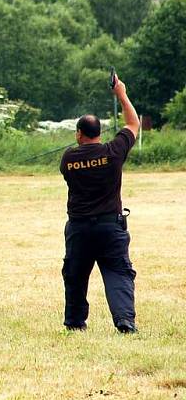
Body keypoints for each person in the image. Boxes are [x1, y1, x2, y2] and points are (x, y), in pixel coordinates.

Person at [60, 72, 140, 334]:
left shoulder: (68, 159)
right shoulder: (113, 152)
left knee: (75, 275)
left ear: (79, 134)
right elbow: (133, 124)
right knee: (118, 273)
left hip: (80, 228)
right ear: (99, 132)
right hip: (110, 226)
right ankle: (125, 321)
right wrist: (121, 94)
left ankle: (74, 322)